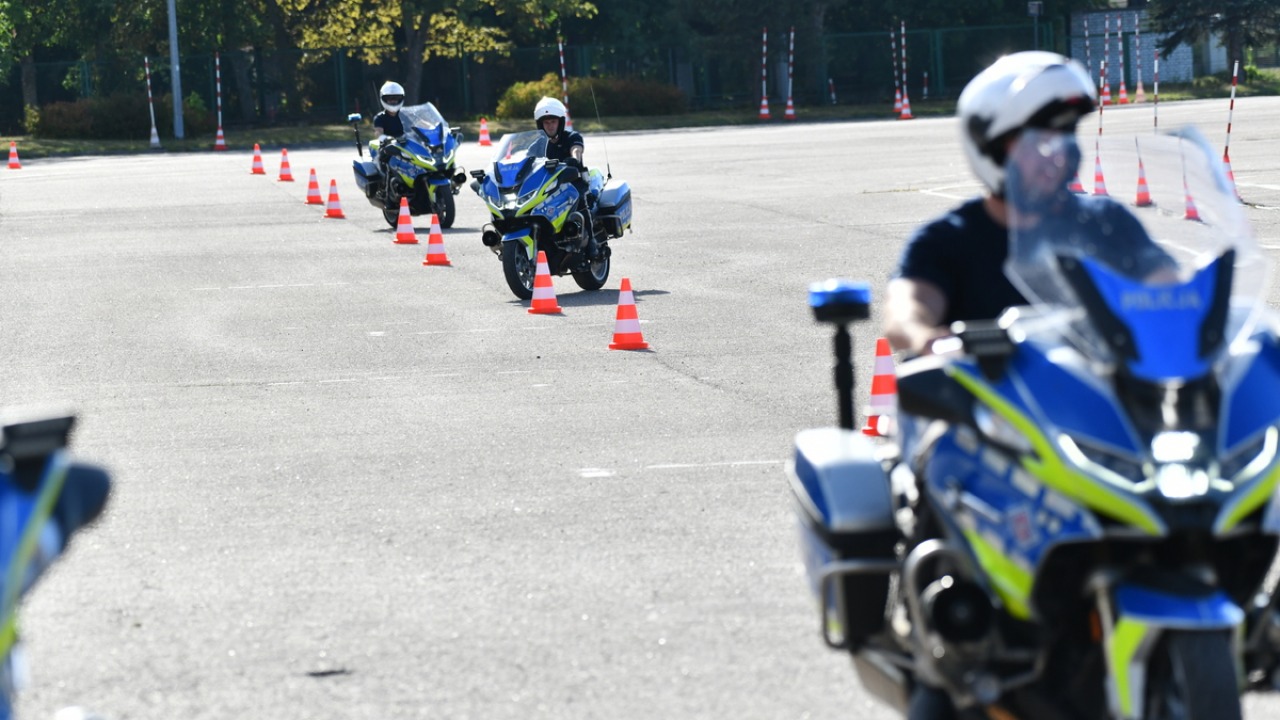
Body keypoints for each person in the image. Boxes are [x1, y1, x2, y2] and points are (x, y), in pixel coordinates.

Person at [884, 51, 1100, 358]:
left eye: (1064, 137)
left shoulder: (1102, 223)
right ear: (992, 149)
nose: (1057, 153)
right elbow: (908, 306)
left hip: (1101, 397)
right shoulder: (946, 241)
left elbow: (1162, 286)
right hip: (986, 400)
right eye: (1038, 141)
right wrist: (925, 337)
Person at [533, 96, 600, 260]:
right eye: (546, 122)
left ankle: (591, 242)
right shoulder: (537, 145)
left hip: (574, 182)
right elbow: (526, 160)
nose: (549, 125)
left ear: (560, 122)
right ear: (540, 124)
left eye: (553, 121)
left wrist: (574, 159)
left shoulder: (572, 137)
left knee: (580, 202)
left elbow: (576, 149)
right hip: (549, 187)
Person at [372, 81, 406, 179]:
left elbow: (422, 124)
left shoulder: (406, 115)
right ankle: (386, 182)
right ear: (384, 99)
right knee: (384, 162)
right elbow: (378, 132)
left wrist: (435, 129)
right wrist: (385, 138)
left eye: (396, 98)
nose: (393, 101)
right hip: (389, 147)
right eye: (390, 99)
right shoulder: (380, 117)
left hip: (406, 145)